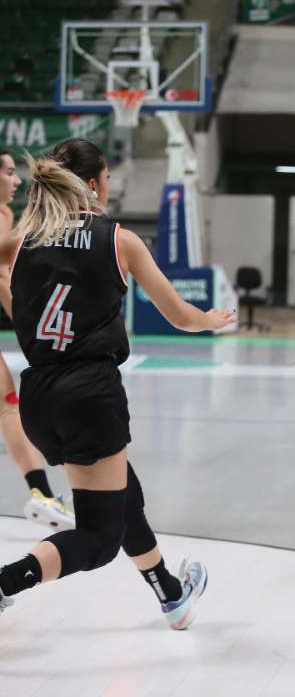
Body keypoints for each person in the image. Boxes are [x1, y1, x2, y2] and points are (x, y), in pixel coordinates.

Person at [0, 139, 235, 628]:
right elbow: (181, 316)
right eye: (106, 179)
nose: (108, 188)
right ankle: (7, 581)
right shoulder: (120, 240)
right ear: (91, 184)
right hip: (90, 393)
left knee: (122, 493)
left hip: (39, 397)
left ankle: (171, 593)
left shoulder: (21, 239)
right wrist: (211, 320)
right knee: (99, 539)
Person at [0, 148, 74, 529]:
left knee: (8, 402)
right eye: (9, 172)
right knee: (8, 404)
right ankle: (42, 494)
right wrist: (34, 330)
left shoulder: (8, 216)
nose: (16, 181)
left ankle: (42, 493)